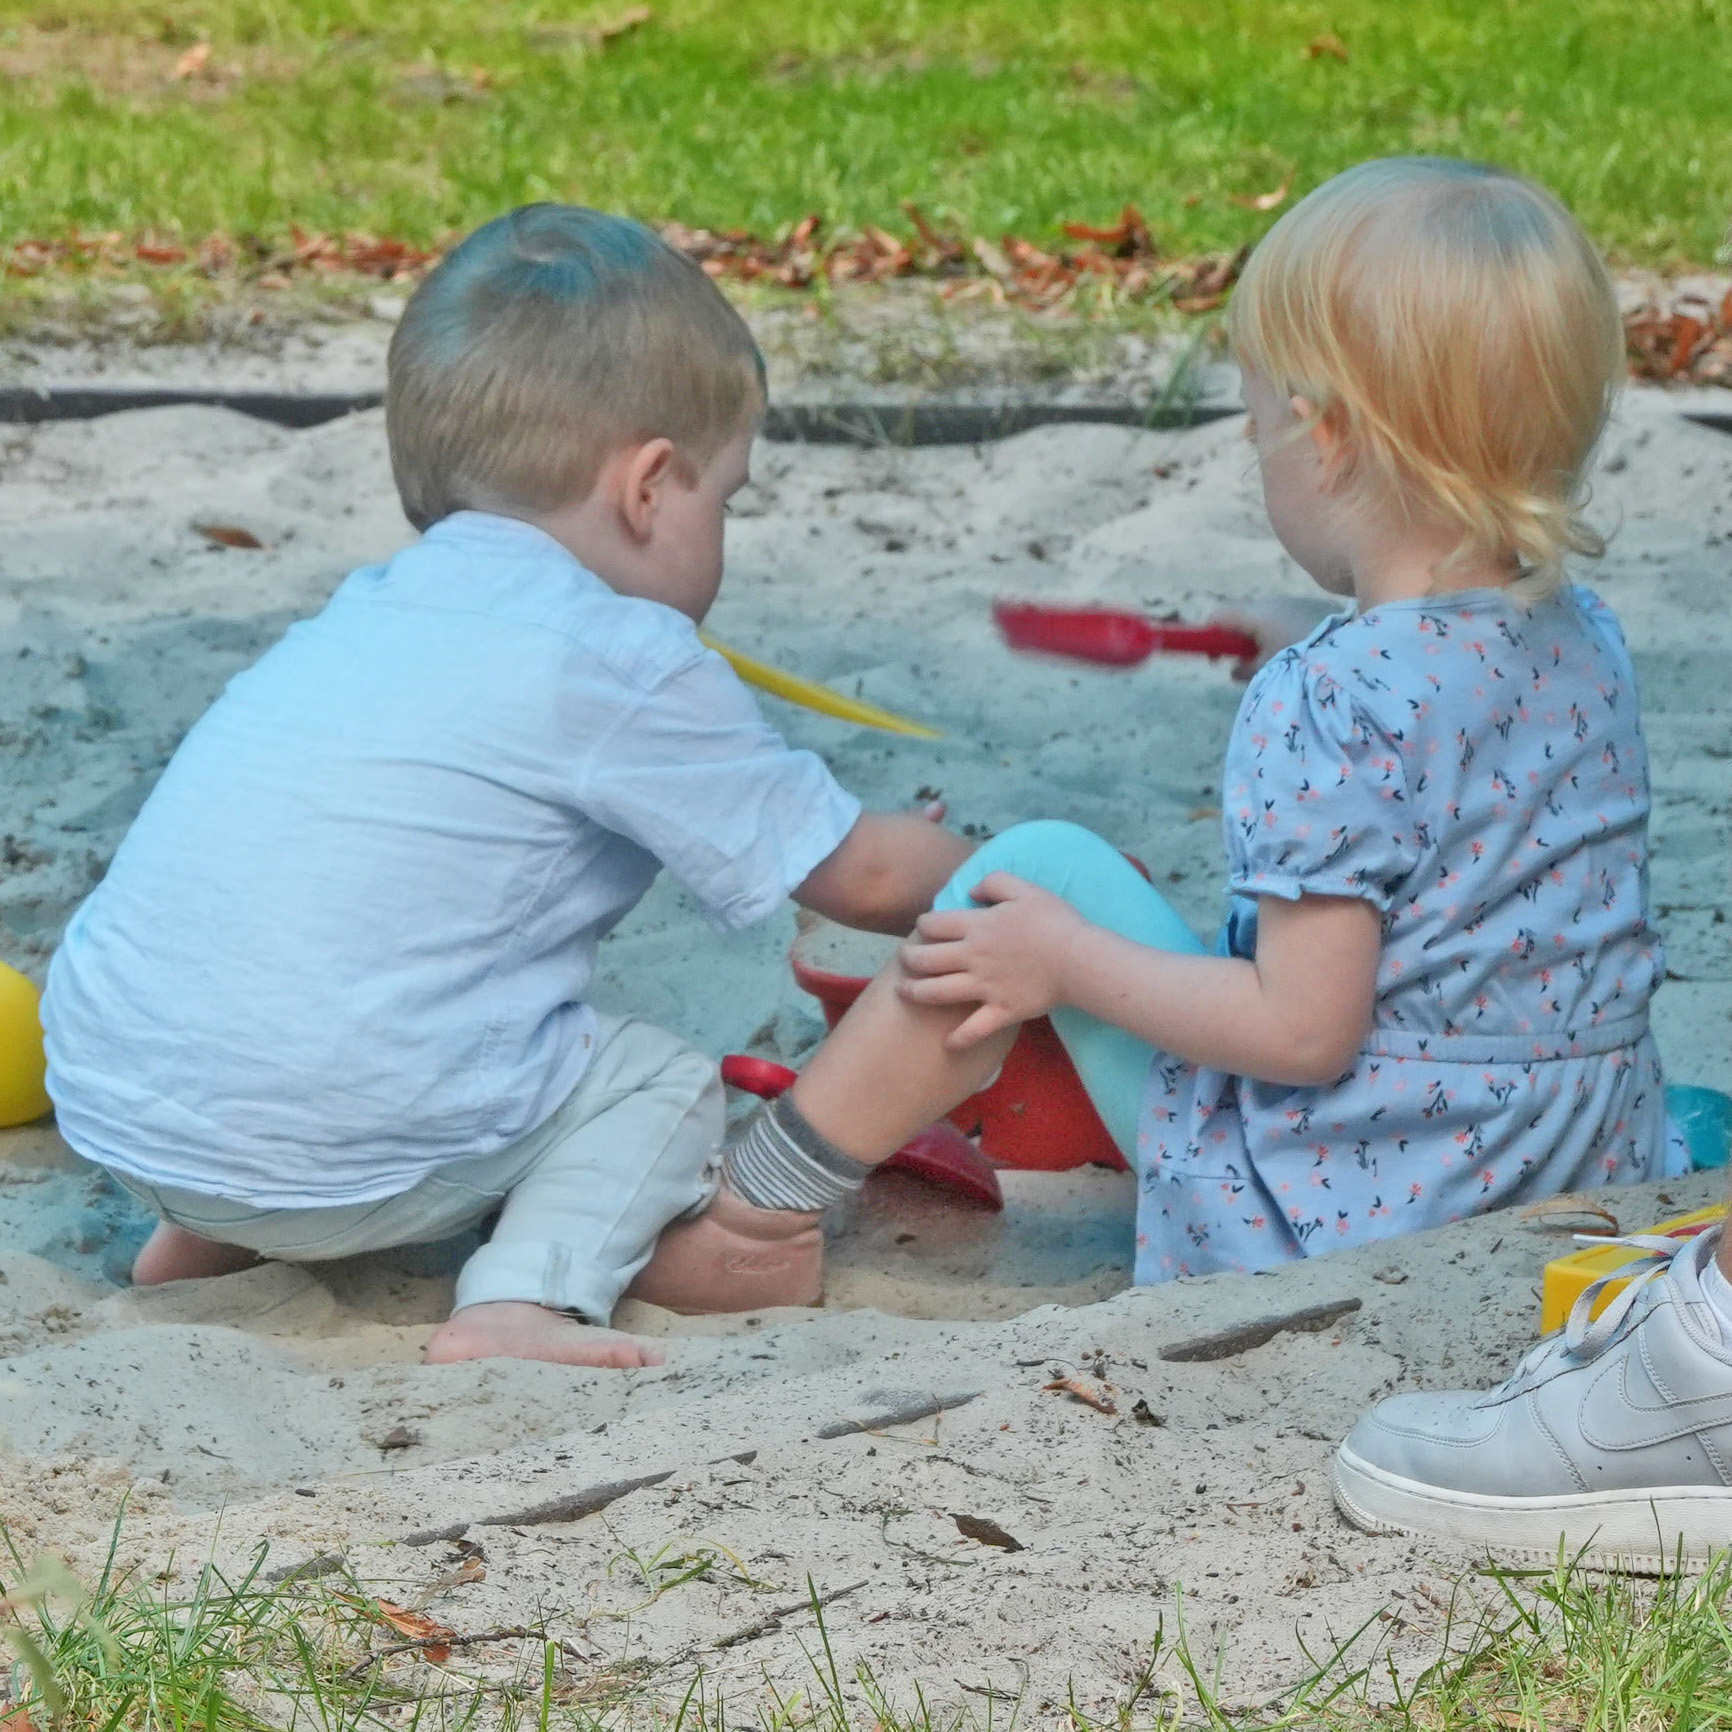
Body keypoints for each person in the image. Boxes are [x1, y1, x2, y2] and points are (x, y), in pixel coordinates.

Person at [676, 156, 1673, 1310]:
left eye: (1256, 426)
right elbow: (1453, 724)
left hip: (1363, 1211)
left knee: (1028, 877)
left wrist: (1064, 962)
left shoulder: (1326, 699)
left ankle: (758, 1211)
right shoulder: (1580, 634)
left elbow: (1303, 1033)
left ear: (1326, 437)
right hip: (1573, 1162)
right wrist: (1321, 622)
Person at [40, 205, 973, 1371]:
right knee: (660, 1079)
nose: (718, 529)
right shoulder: (618, 655)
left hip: (119, 1109)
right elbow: (866, 875)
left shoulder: (364, 611)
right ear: (647, 487)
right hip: (336, 1153)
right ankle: (522, 1303)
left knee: (307, 957)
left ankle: (202, 1242)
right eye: (723, 497)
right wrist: (1000, 872)